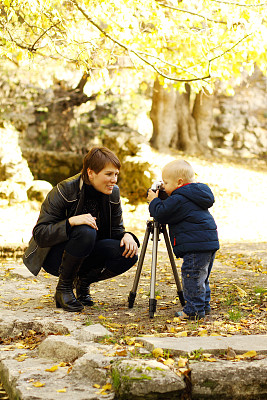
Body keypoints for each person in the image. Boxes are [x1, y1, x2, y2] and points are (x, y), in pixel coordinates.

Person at [23, 146, 139, 312]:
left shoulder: (113, 192)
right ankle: (64, 288)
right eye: (108, 174)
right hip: (54, 256)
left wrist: (127, 235)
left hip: (87, 251)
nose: (114, 180)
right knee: (85, 230)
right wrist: (70, 222)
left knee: (128, 252)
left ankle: (83, 283)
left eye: (116, 174)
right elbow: (41, 234)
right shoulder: (64, 190)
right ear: (91, 173)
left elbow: (116, 232)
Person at [147, 159, 219, 320]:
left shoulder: (179, 198)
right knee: (202, 277)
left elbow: (161, 213)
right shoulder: (195, 194)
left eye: (165, 182)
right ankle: (203, 306)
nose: (163, 186)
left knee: (192, 277)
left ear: (179, 182)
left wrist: (154, 201)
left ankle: (193, 310)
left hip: (195, 245)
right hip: (207, 241)